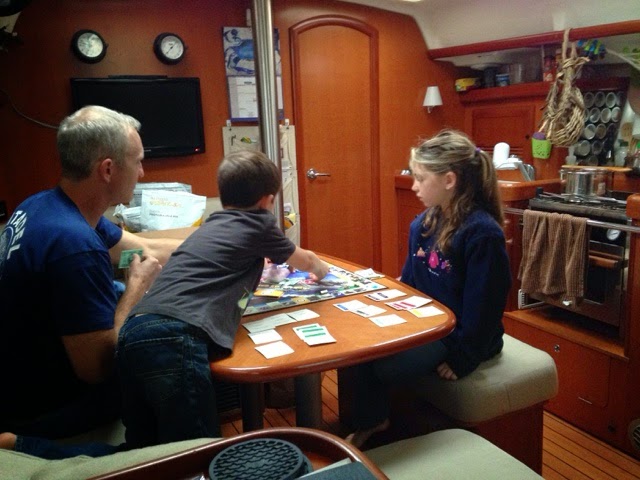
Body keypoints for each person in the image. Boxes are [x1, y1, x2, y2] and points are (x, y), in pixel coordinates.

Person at [114, 149, 330, 449]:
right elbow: (304, 260)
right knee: (194, 449)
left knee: (144, 449)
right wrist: (323, 270)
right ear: (268, 200)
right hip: (174, 336)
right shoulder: (259, 223)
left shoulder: (213, 224)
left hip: (133, 331)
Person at [0, 106, 181, 453]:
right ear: (108, 169)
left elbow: (144, 247)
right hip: (44, 410)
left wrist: (217, 244)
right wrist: (136, 289)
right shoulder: (75, 245)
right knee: (170, 359)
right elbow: (98, 367)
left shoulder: (45, 205)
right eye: (138, 162)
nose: (142, 172)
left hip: (18, 382)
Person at [345, 129, 512, 448]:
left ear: (449, 180)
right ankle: (373, 419)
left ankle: (375, 422)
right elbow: (410, 283)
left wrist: (465, 357)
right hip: (427, 323)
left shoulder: (482, 234)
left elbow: (486, 307)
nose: (414, 186)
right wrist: (383, 308)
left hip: (458, 335)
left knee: (381, 367)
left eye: (421, 178)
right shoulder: (422, 224)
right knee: (360, 344)